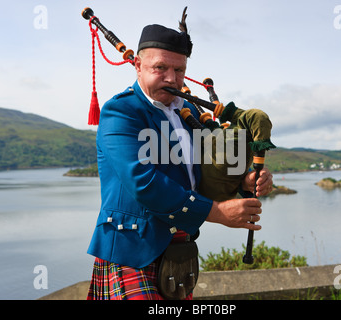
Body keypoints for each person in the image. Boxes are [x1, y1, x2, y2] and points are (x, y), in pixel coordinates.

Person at [86, 17, 273, 300]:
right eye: (160, 68)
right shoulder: (121, 112)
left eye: (179, 70)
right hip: (132, 249)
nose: (172, 78)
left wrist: (244, 181)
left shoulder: (190, 114)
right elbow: (144, 182)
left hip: (179, 252)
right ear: (138, 65)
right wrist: (218, 213)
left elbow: (207, 172)